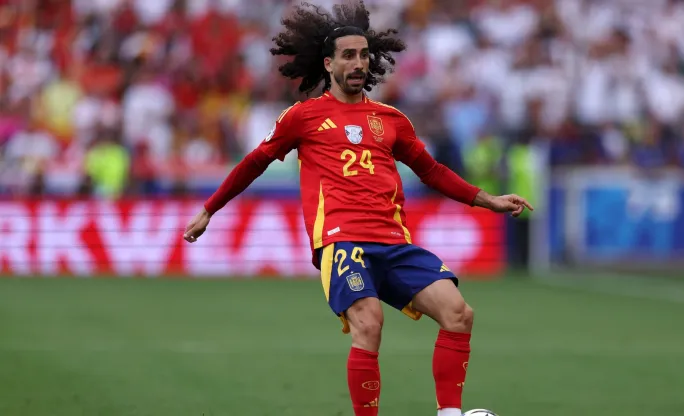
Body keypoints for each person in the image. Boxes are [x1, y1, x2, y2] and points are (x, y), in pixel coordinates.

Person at [183, 2, 533, 415]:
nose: (359, 63)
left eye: (364, 54)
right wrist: (210, 208)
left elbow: (431, 170)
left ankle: (450, 414)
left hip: (393, 242)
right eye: (348, 55)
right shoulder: (303, 118)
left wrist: (487, 199)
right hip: (342, 242)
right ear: (328, 64)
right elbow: (254, 162)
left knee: (459, 313)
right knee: (369, 323)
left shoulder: (391, 120)